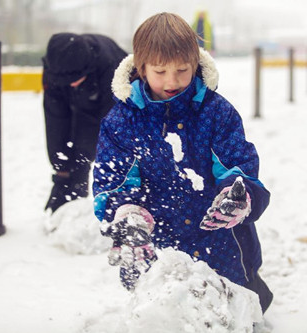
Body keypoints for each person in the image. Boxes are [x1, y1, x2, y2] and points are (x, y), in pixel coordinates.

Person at [92, 13, 273, 313]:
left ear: (195, 64)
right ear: (141, 67)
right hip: (159, 241)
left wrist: (238, 194)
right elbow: (114, 181)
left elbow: (238, 164)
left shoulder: (215, 112)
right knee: (168, 314)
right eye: (160, 71)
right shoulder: (121, 121)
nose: (172, 81)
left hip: (220, 240)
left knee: (236, 313)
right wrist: (127, 217)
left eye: (182, 70)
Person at [42, 33, 127, 214]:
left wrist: (84, 160)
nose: (71, 85)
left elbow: (110, 123)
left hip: (105, 98)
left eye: (75, 79)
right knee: (63, 149)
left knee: (87, 146)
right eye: (66, 81)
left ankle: (110, 199)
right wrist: (61, 168)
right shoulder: (54, 69)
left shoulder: (112, 65)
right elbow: (55, 119)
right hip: (84, 94)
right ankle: (64, 196)